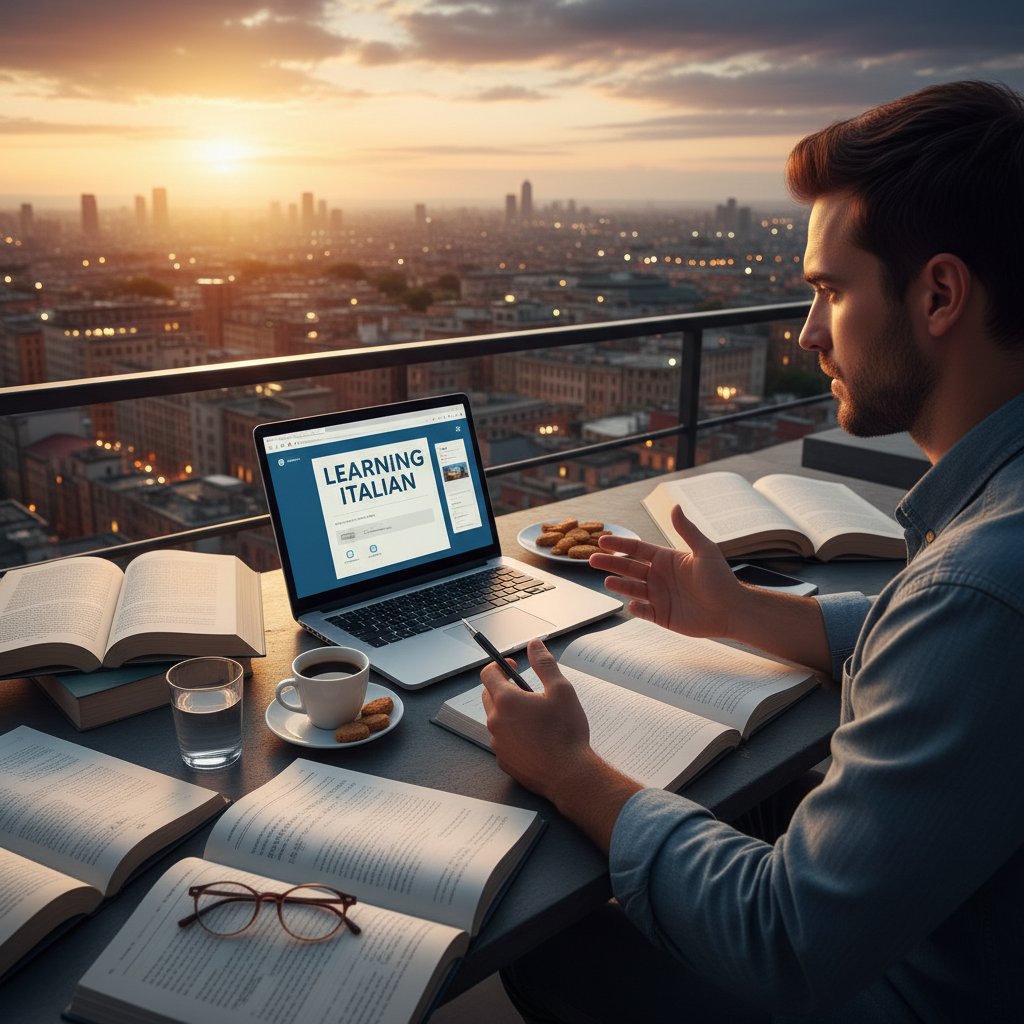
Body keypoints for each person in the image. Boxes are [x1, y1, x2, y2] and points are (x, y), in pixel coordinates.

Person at [479, 80, 1024, 1022]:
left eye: (830, 290)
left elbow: (782, 938)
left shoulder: (979, 586)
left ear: (940, 293)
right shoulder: (989, 547)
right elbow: (940, 646)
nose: (809, 333)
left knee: (549, 942)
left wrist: (572, 769)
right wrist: (735, 611)